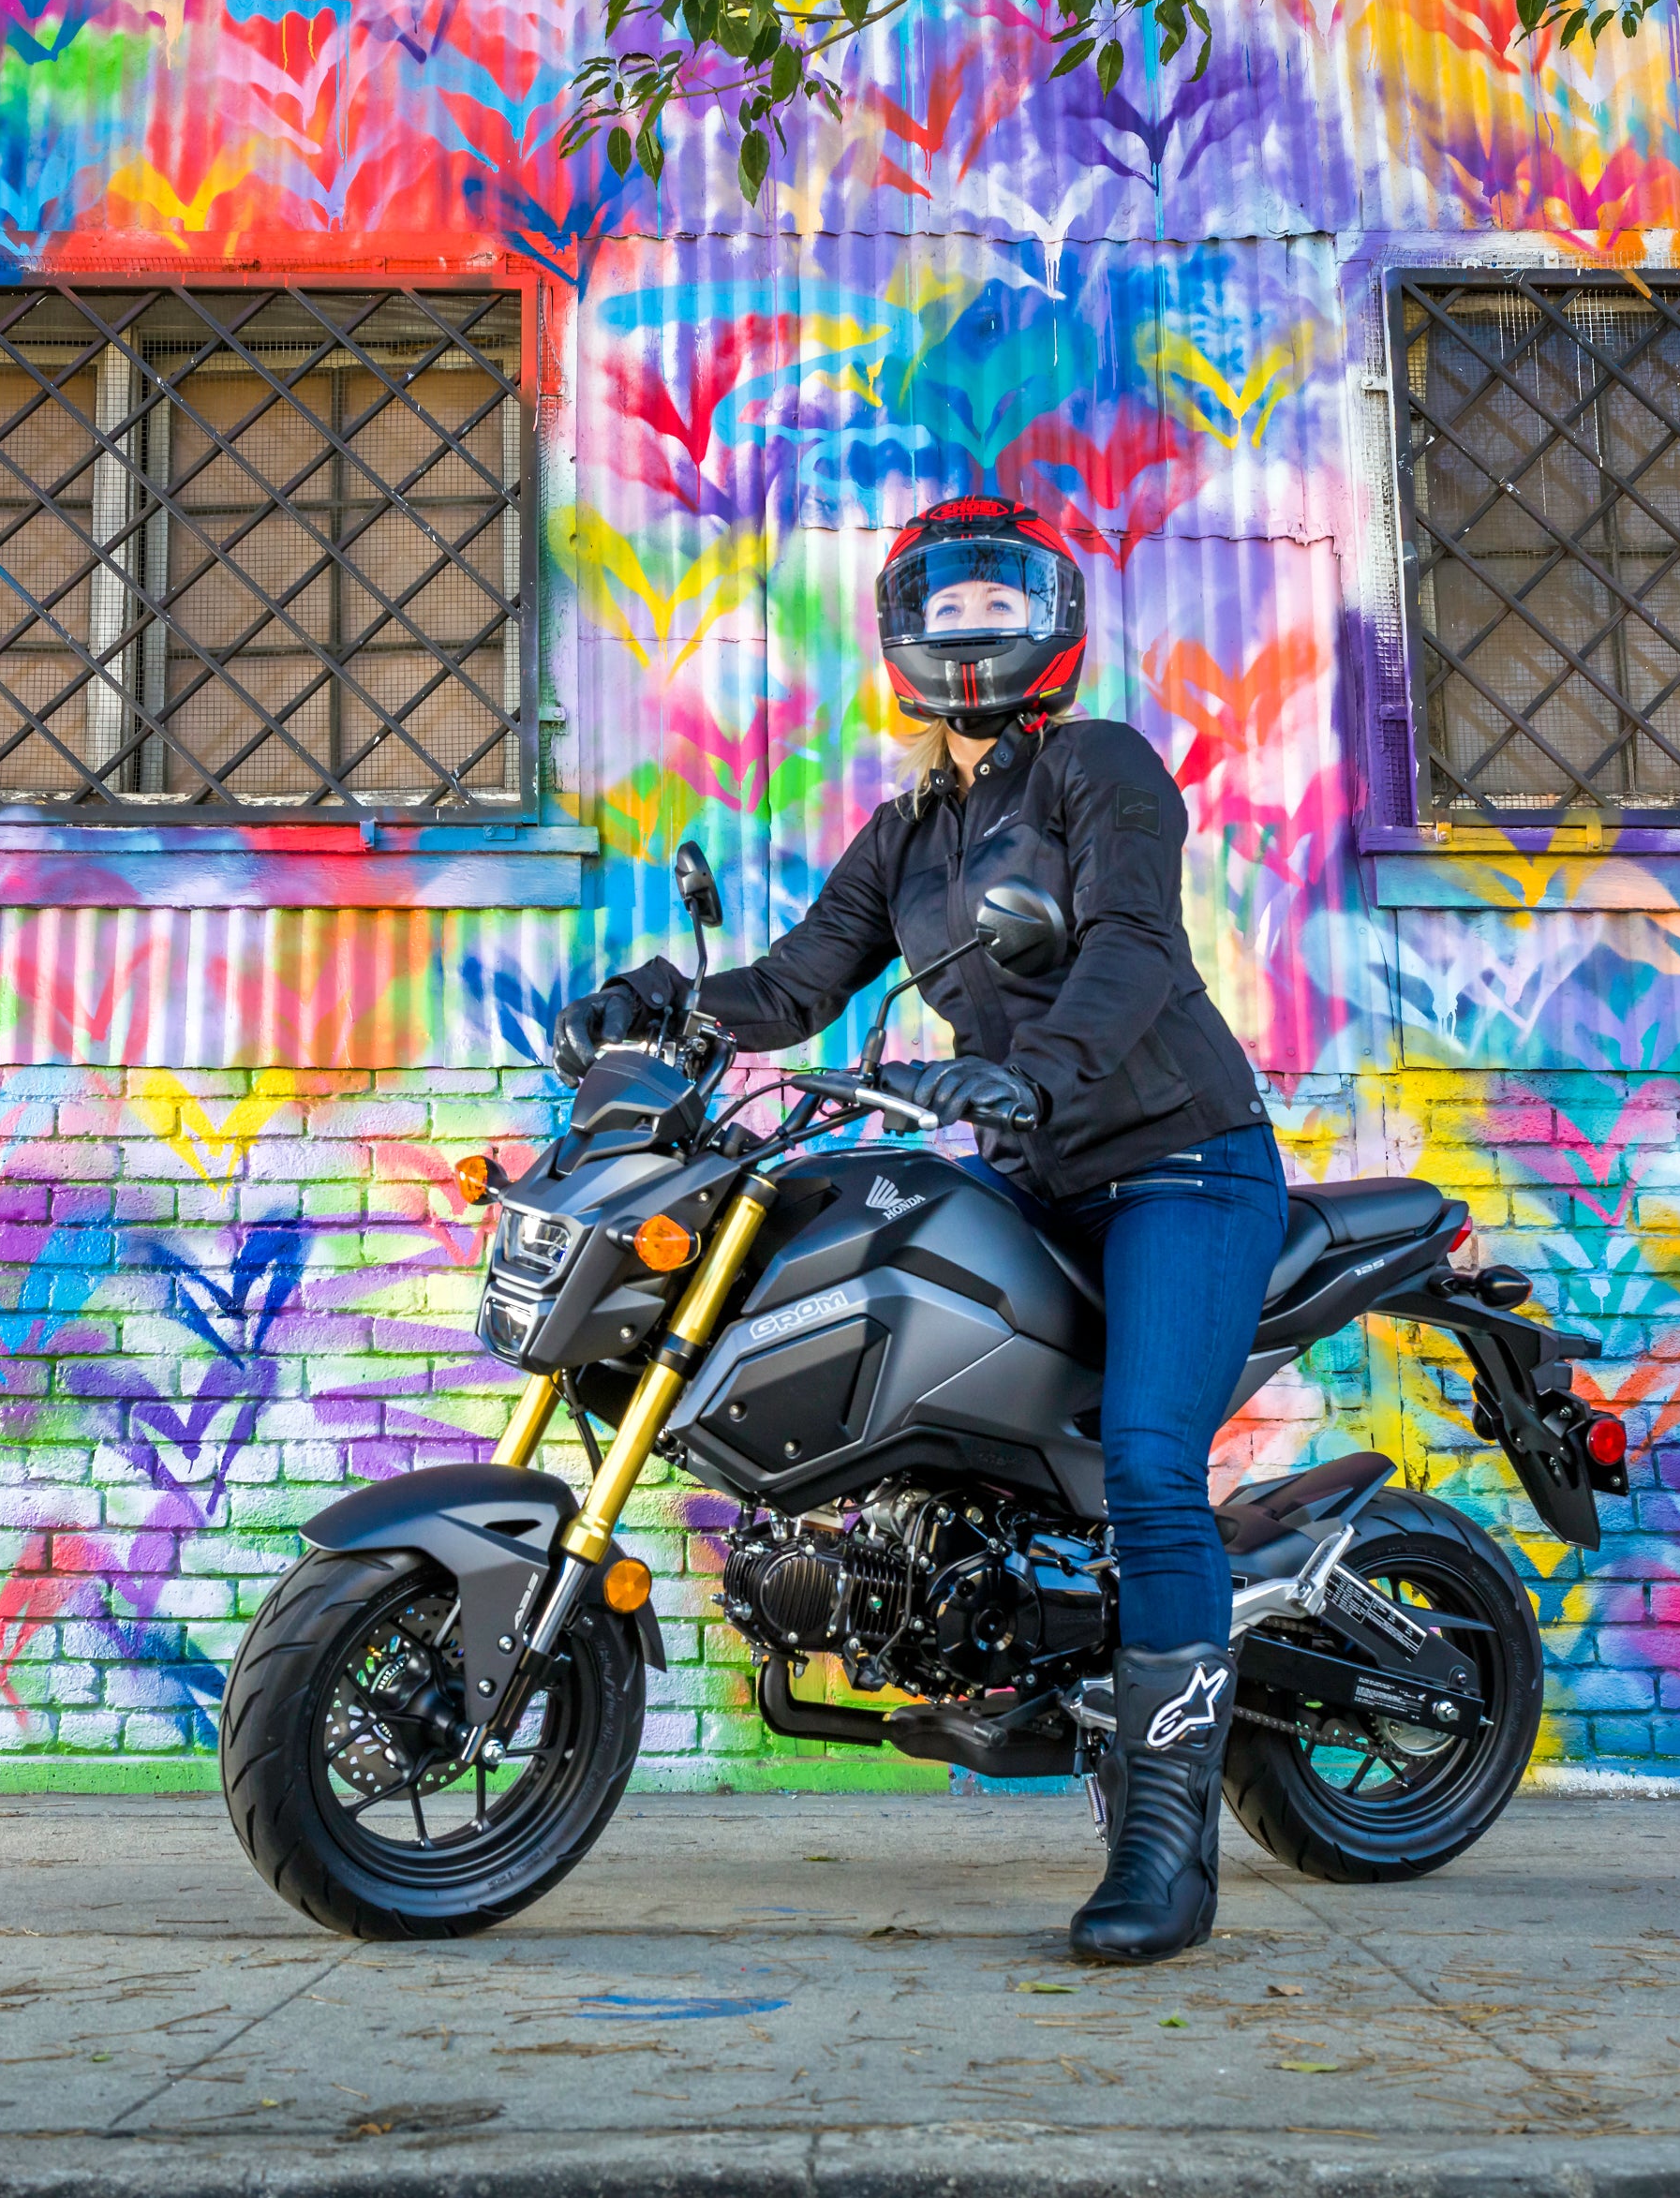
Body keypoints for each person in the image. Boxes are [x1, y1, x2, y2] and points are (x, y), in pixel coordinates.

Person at [549, 497, 1285, 1965]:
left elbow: (1135, 946)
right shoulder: (911, 833)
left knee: (1147, 1465)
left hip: (1181, 1166)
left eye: (999, 602)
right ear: (902, 634)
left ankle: (1167, 1846)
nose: (973, 631)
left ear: (1054, 624)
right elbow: (804, 978)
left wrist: (1031, 1074)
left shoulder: (1101, 769)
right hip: (1038, 1166)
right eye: (945, 606)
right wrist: (675, 1006)